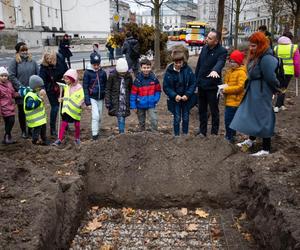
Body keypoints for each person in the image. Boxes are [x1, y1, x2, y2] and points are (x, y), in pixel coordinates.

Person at [230, 32, 280, 156]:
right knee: (253, 115)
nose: (251, 48)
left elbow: (270, 77)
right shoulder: (257, 55)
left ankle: (266, 149)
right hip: (254, 91)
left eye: (254, 45)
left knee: (264, 117)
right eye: (250, 45)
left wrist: (276, 89)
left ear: (261, 44)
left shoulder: (266, 58)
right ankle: (250, 141)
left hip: (262, 92)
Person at [195, 30, 227, 137]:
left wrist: (215, 70)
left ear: (216, 41)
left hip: (213, 87)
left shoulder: (222, 51)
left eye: (209, 38)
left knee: (214, 111)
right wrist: (196, 81)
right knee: (202, 110)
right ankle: (202, 131)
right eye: (207, 37)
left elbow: (221, 62)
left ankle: (214, 133)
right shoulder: (204, 48)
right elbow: (199, 65)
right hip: (201, 85)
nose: (206, 39)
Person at [163, 45, 196, 136]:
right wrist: (174, 95)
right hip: (175, 100)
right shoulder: (169, 72)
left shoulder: (187, 70)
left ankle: (185, 134)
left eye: (180, 62)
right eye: (176, 62)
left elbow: (193, 83)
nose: (178, 64)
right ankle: (176, 135)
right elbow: (166, 87)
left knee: (185, 117)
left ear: (183, 61)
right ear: (173, 62)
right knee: (177, 117)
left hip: (186, 99)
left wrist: (188, 95)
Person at [8, 42, 39, 139]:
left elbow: (37, 74)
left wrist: (34, 87)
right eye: (22, 50)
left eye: (26, 50)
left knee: (31, 110)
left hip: (32, 90)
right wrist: (21, 87)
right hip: (21, 91)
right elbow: (12, 76)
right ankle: (23, 131)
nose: (25, 52)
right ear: (18, 51)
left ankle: (30, 130)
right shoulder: (15, 62)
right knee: (22, 112)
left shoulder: (32, 61)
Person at [39, 49, 68, 136]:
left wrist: (66, 79)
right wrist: (43, 88)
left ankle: (65, 124)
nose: (49, 61)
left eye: (50, 59)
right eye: (47, 59)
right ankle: (53, 129)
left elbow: (66, 70)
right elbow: (42, 79)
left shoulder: (60, 59)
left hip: (61, 85)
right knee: (55, 107)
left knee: (63, 106)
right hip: (50, 87)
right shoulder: (44, 66)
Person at [53, 69, 84, 146]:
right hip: (67, 110)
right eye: (65, 79)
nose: (65, 80)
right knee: (63, 124)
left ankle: (77, 138)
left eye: (67, 79)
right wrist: (61, 98)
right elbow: (67, 97)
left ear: (72, 78)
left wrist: (81, 104)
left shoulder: (79, 88)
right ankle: (59, 139)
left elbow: (82, 98)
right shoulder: (66, 87)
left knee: (77, 125)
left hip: (75, 111)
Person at [221, 50, 247, 143]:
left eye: (234, 62)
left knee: (229, 120)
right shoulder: (230, 71)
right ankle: (231, 136)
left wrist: (227, 90)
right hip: (229, 99)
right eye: (230, 61)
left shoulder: (241, 73)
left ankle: (229, 137)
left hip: (235, 101)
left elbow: (240, 87)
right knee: (230, 120)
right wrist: (223, 89)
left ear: (239, 62)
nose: (231, 63)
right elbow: (227, 83)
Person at [130, 58, 161, 132]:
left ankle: (155, 134)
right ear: (141, 68)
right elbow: (133, 94)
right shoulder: (137, 80)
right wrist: (133, 106)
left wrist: (155, 99)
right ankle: (142, 134)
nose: (146, 69)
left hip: (151, 103)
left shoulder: (154, 79)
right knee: (141, 122)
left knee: (154, 120)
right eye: (144, 68)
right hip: (140, 104)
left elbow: (158, 90)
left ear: (150, 67)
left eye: (148, 68)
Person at [83, 52, 107, 140]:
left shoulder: (103, 73)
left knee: (100, 116)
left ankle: (97, 129)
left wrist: (106, 96)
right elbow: (85, 87)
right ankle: (94, 134)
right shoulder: (87, 73)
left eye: (98, 64)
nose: (96, 66)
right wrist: (87, 101)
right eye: (94, 64)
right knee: (95, 116)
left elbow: (105, 85)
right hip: (92, 97)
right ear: (91, 63)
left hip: (101, 98)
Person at [105, 58, 133, 134]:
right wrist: (108, 101)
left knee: (123, 117)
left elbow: (131, 89)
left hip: (125, 100)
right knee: (120, 117)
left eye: (124, 73)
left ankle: (122, 132)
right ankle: (122, 133)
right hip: (116, 101)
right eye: (121, 73)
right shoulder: (112, 76)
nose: (122, 75)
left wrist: (131, 101)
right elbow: (108, 89)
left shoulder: (129, 76)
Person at [273, 35, 300, 113]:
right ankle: (277, 106)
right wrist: (297, 73)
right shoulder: (294, 48)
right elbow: (297, 62)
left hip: (278, 70)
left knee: (282, 86)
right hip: (289, 71)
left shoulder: (276, 48)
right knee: (283, 88)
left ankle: (281, 105)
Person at [21, 75, 48, 145]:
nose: (40, 89)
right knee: (37, 131)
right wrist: (39, 100)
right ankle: (34, 141)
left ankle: (44, 140)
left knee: (43, 129)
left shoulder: (35, 93)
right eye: (39, 87)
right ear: (35, 87)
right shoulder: (30, 96)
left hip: (40, 118)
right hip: (35, 119)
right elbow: (30, 106)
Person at [0, 67, 18, 144]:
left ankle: (7, 137)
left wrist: (19, 94)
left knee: (10, 122)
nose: (4, 77)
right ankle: (6, 137)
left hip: (10, 106)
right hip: (3, 107)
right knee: (10, 121)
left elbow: (13, 93)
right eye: (2, 76)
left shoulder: (9, 84)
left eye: (5, 75)